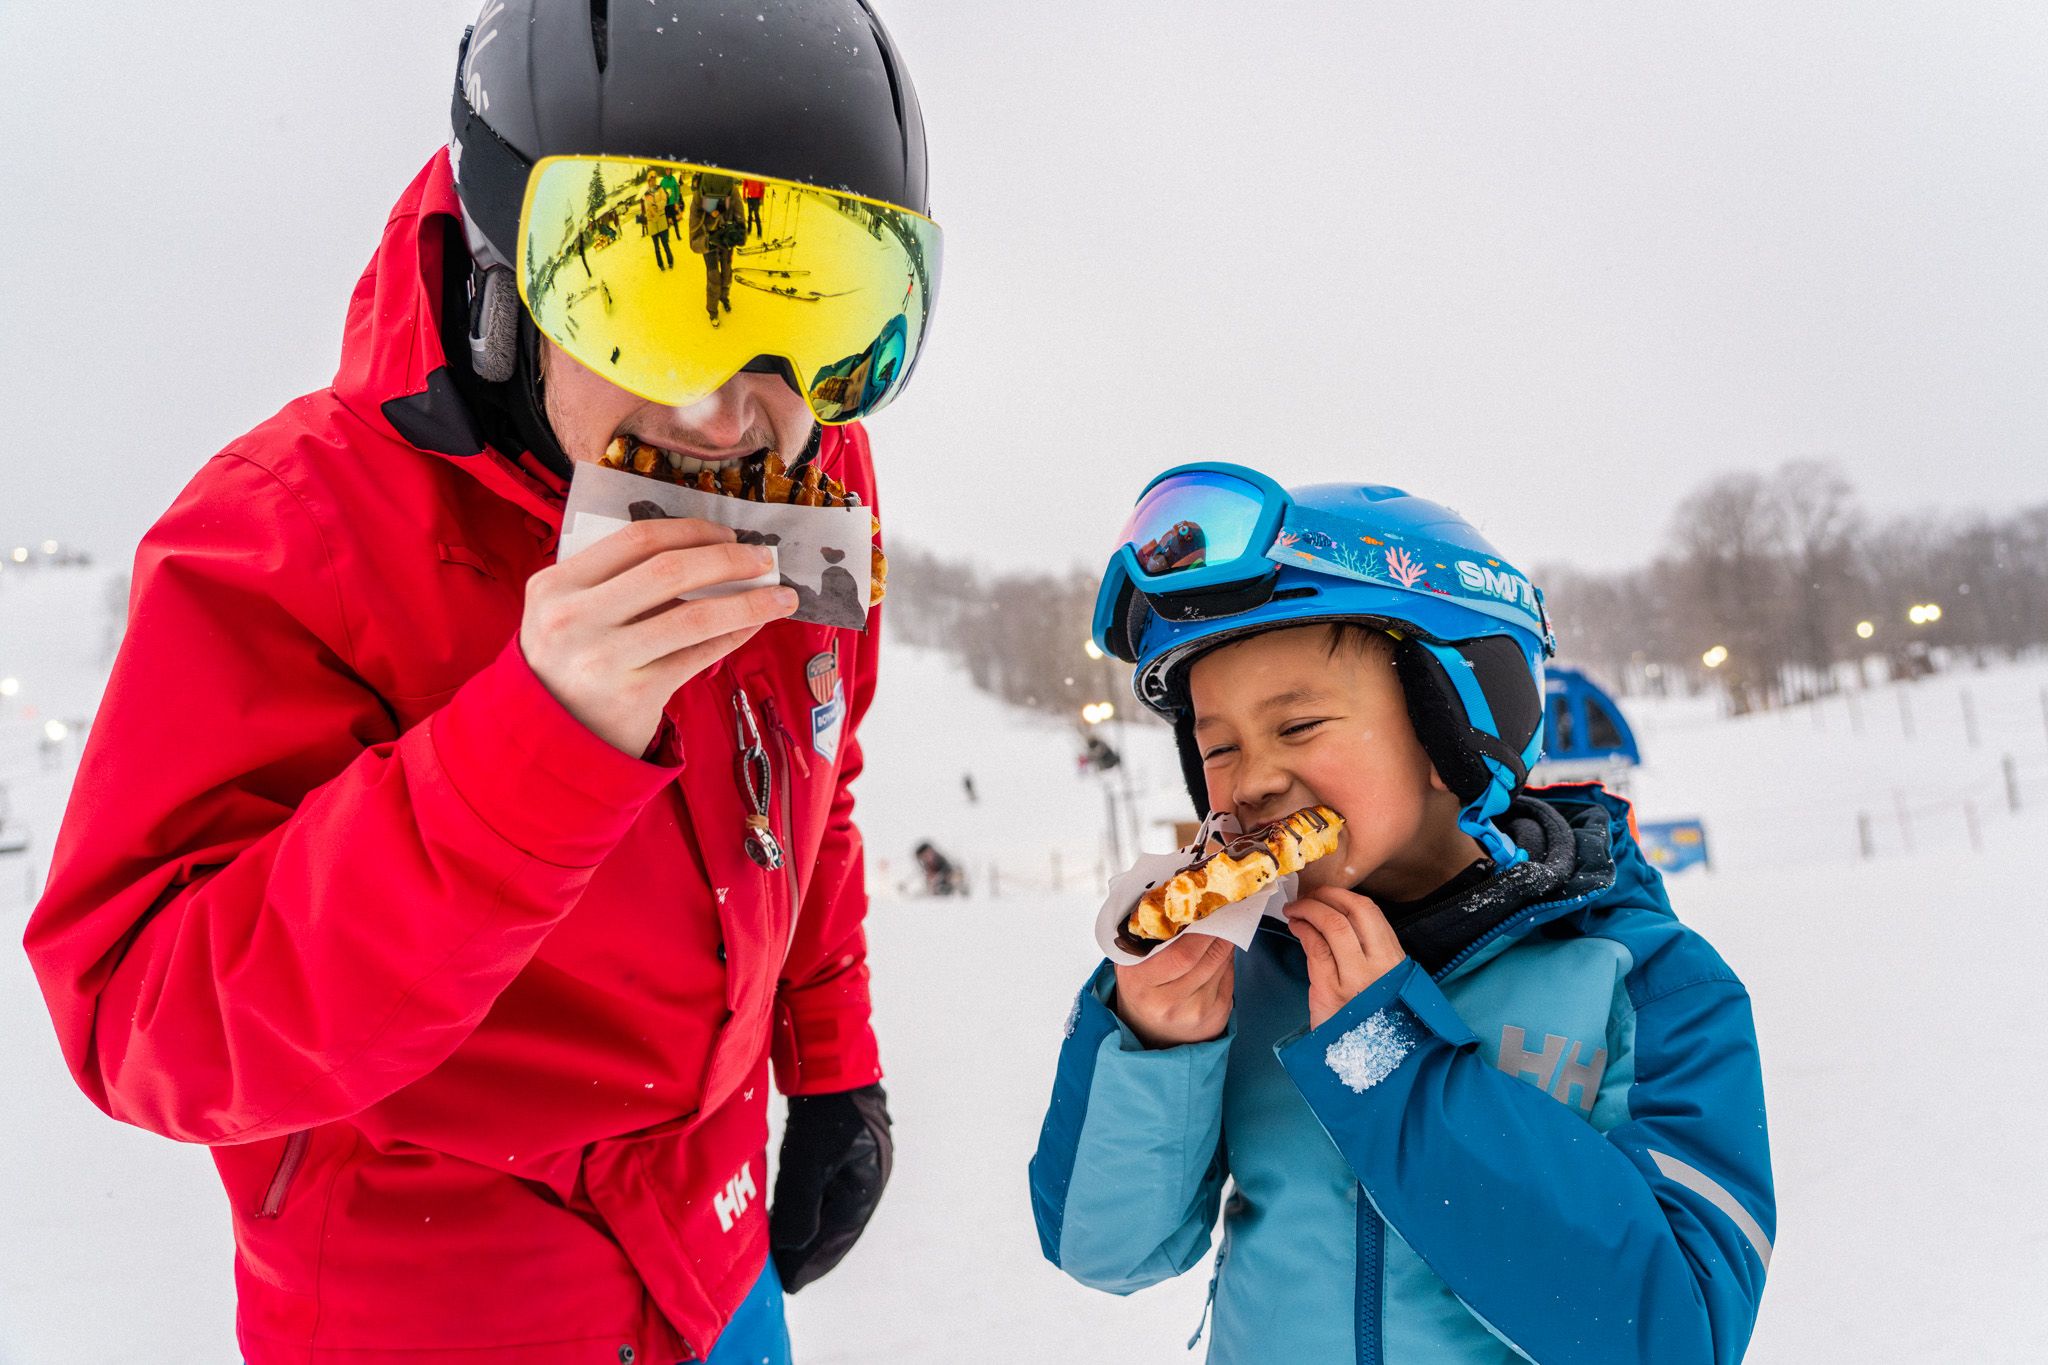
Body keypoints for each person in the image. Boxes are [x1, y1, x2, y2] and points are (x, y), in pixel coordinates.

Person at [21, 3, 939, 1363]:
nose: (722, 413)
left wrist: (833, 1060)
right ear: (509, 278)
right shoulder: (294, 535)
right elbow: (139, 1014)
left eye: (816, 312)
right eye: (646, 306)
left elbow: (810, 784)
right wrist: (532, 751)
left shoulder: (806, 480)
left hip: (708, 1261)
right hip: (441, 1302)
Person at [1030, 464, 1774, 1363]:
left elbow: (1671, 1335)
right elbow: (1105, 1251)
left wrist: (1394, 1066)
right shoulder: (1248, 970)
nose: (1254, 779)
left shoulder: (1648, 985)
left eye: (1299, 727)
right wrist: (1154, 1048)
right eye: (1218, 746)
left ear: (1456, 727)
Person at [689, 174, 748, 325]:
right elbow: (694, 242)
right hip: (709, 243)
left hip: (726, 241)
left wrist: (739, 232)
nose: (715, 210)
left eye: (720, 203)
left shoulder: (733, 191)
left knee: (727, 273)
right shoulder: (697, 199)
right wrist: (710, 241)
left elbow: (740, 216)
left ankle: (724, 297)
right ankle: (713, 311)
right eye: (711, 203)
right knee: (714, 278)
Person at [644, 169, 676, 271]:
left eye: (654, 179)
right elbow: (648, 207)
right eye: (650, 180)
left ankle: (670, 261)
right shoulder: (647, 193)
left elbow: (664, 201)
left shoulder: (660, 189)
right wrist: (652, 213)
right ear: (648, 181)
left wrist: (657, 206)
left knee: (665, 244)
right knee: (656, 248)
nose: (652, 182)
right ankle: (660, 265)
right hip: (652, 222)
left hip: (661, 220)